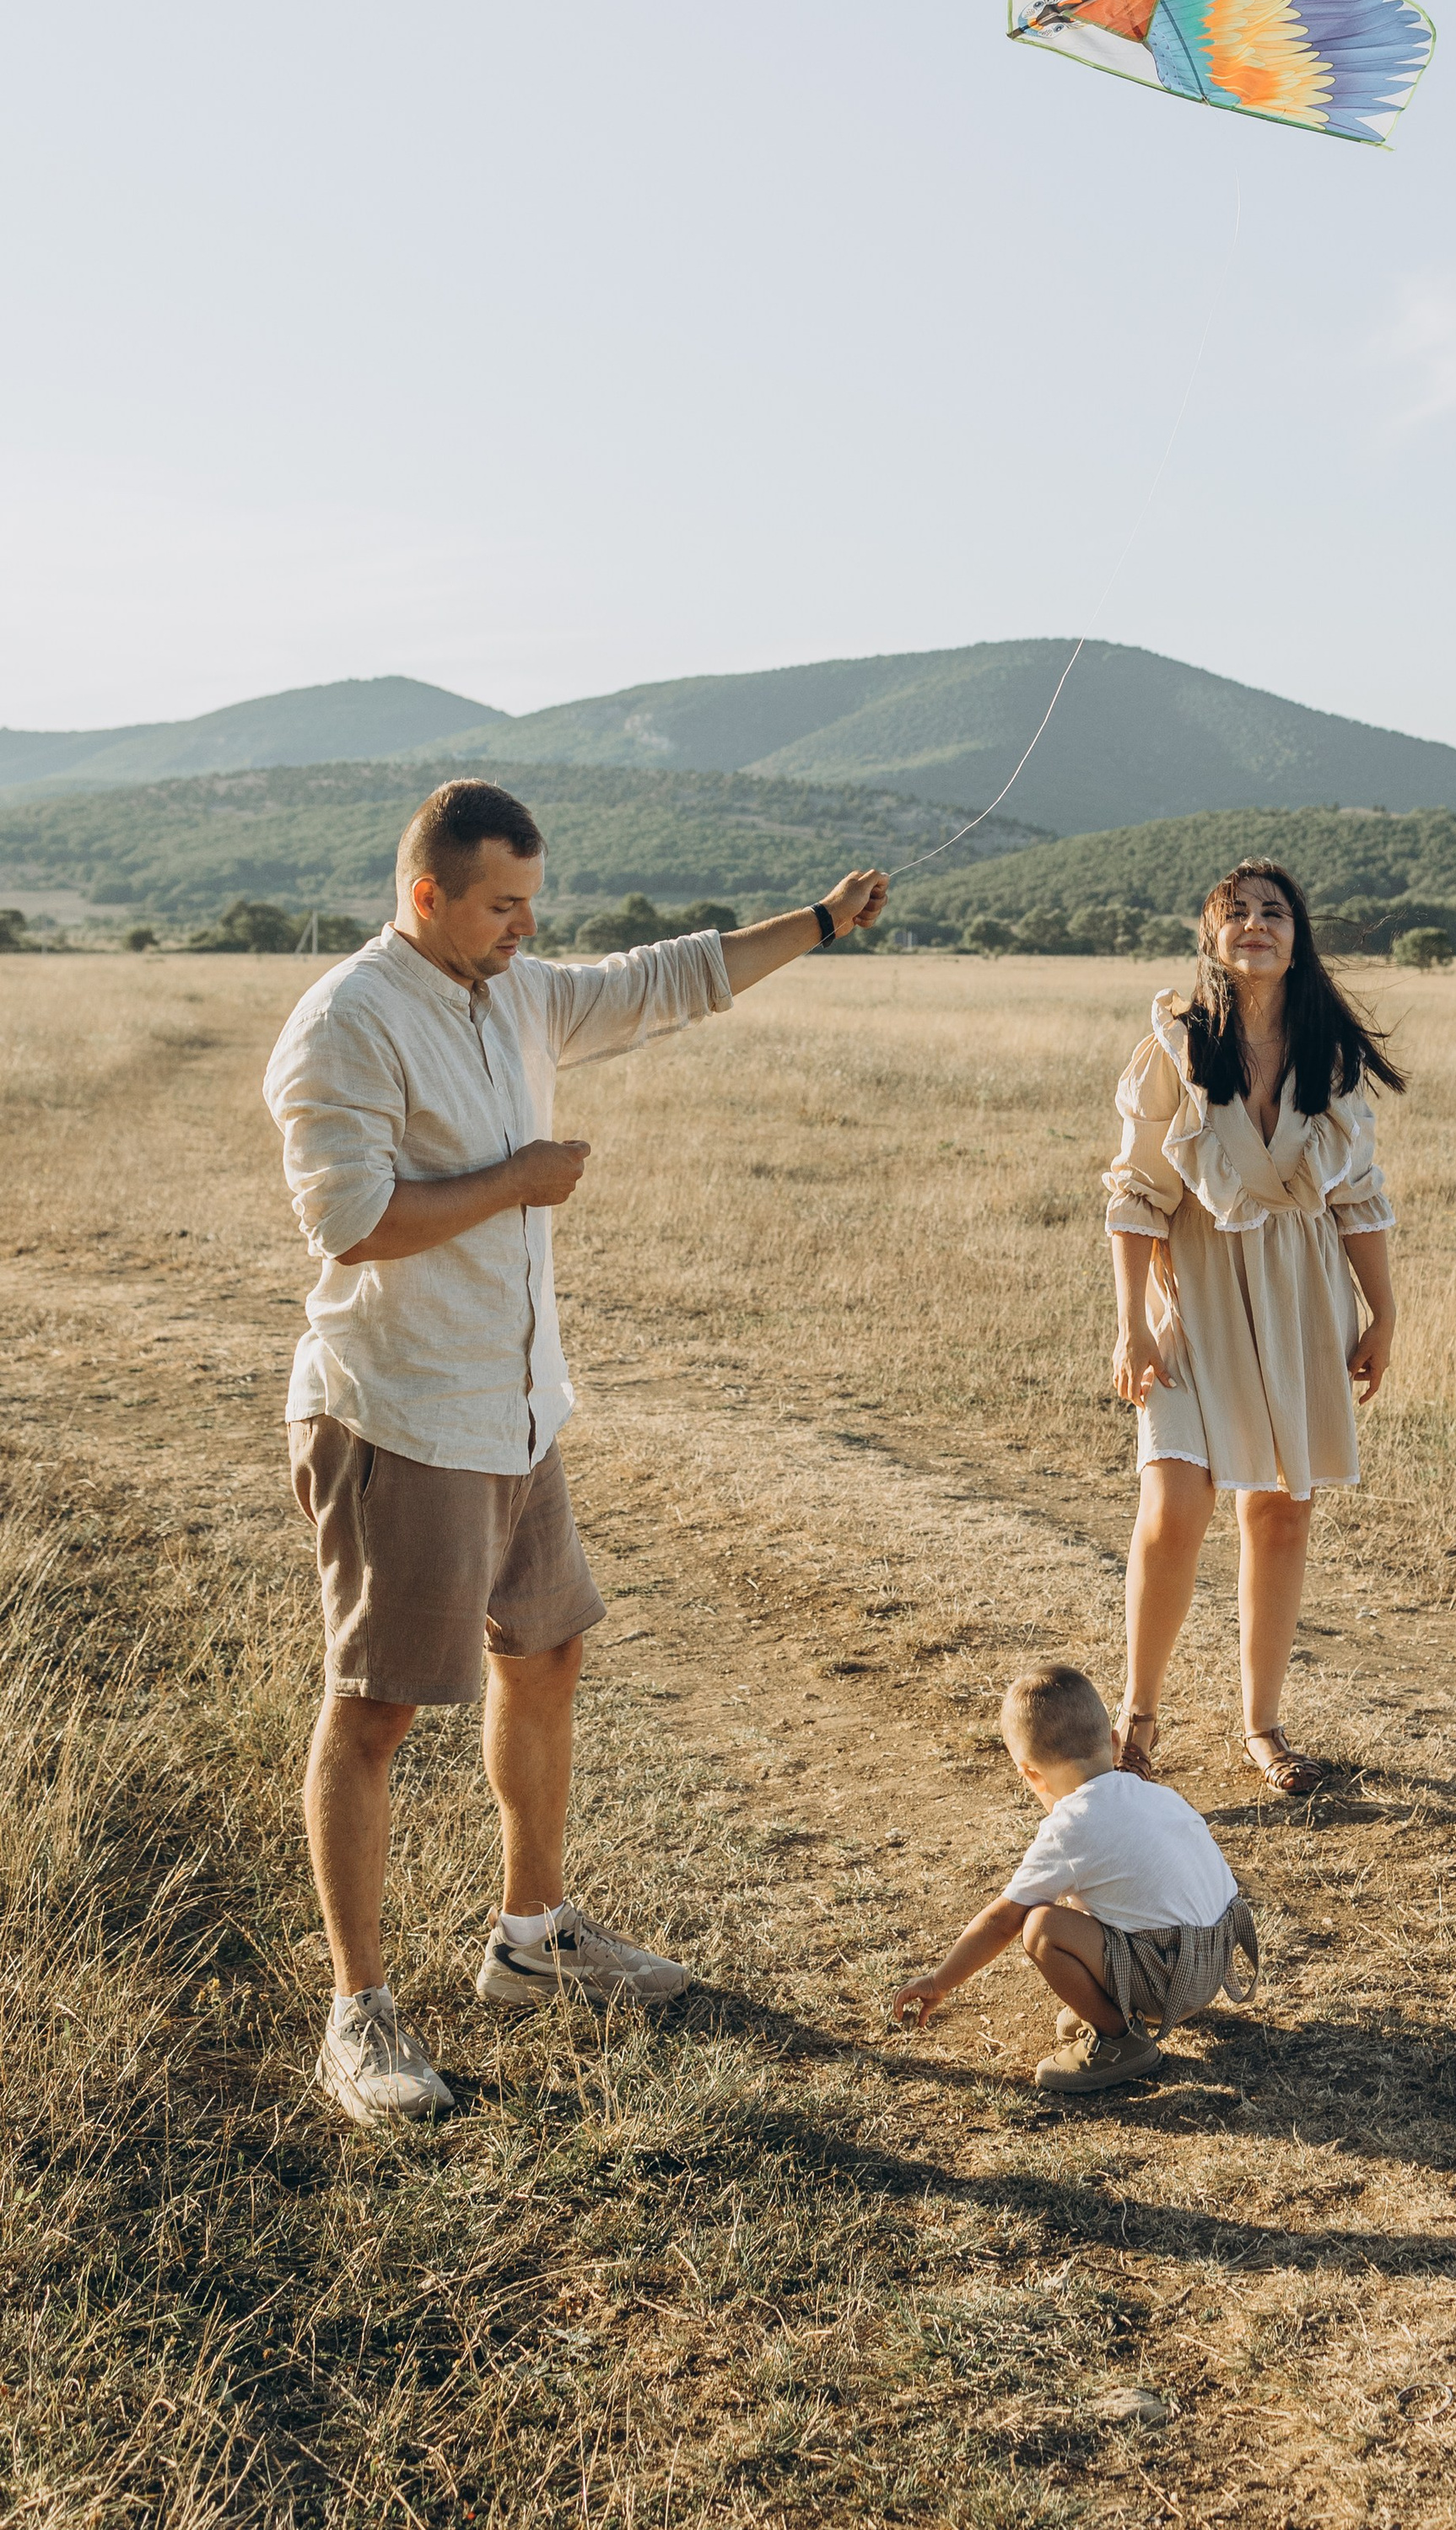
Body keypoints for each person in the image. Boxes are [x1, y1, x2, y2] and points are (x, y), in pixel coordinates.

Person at [263, 776, 887, 2124]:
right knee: (373, 1709)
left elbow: (670, 979)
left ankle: (533, 1935)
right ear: (427, 894)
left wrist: (820, 926)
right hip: (399, 1412)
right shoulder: (347, 1023)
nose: (523, 928)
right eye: (502, 905)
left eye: (532, 906)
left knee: (546, 1655)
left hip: (516, 1408)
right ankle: (358, 2017)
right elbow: (352, 1225)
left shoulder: (521, 992)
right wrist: (516, 1182)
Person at [1103, 858, 1405, 1797]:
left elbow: (1357, 1196)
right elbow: (1134, 1195)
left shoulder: (1331, 1053)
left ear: (1297, 935)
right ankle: (1137, 1723)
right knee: (1176, 1507)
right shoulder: (1178, 1046)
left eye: (1273, 911)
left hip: (1302, 1296)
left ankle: (1263, 1730)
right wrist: (1131, 1328)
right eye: (1234, 913)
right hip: (1191, 1296)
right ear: (1211, 937)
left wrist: (1382, 1310)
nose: (1255, 925)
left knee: (1281, 1511)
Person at [891, 1662, 1257, 2094]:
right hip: (1214, 1964)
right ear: (1116, 1743)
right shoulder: (1159, 1795)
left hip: (1170, 1979)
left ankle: (1120, 2040)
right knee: (1099, 1899)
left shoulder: (1071, 1826)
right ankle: (1115, 2004)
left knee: (1041, 1927)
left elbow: (1000, 1921)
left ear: (1030, 1772)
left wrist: (939, 1980)